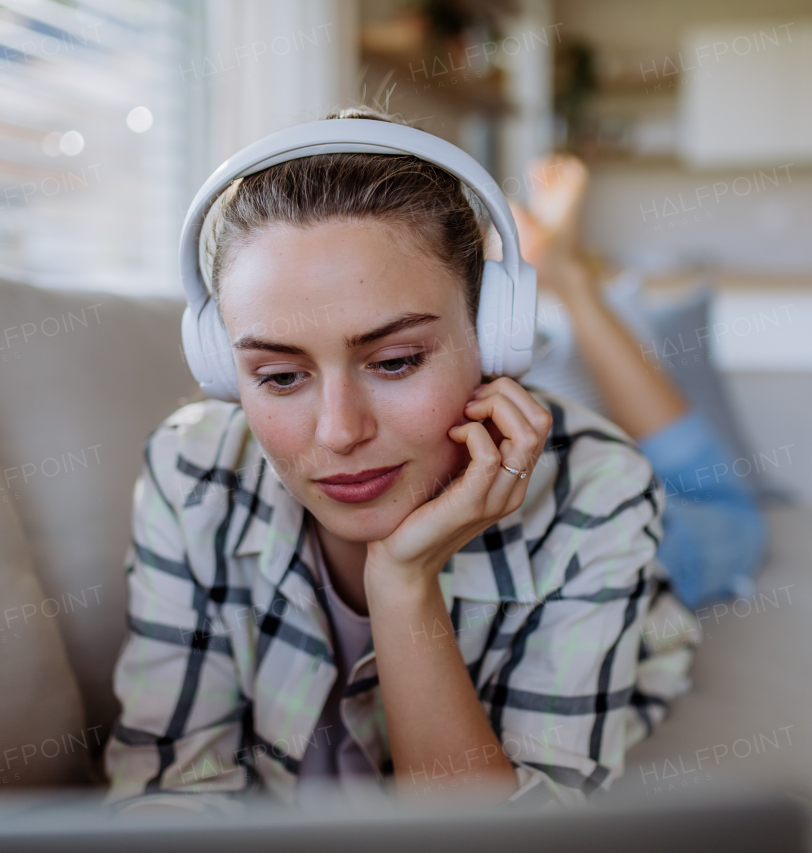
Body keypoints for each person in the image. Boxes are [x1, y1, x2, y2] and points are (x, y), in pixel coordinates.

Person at [104, 110, 696, 813]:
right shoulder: (191, 470)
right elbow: (169, 796)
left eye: (395, 361)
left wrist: (404, 580)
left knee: (717, 530)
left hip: (658, 551)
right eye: (280, 376)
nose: (340, 431)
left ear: (494, 338)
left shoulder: (600, 489)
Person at [510, 156, 768, 608]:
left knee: (713, 499)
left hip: (636, 486)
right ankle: (569, 278)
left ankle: (568, 277)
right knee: (736, 517)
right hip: (630, 512)